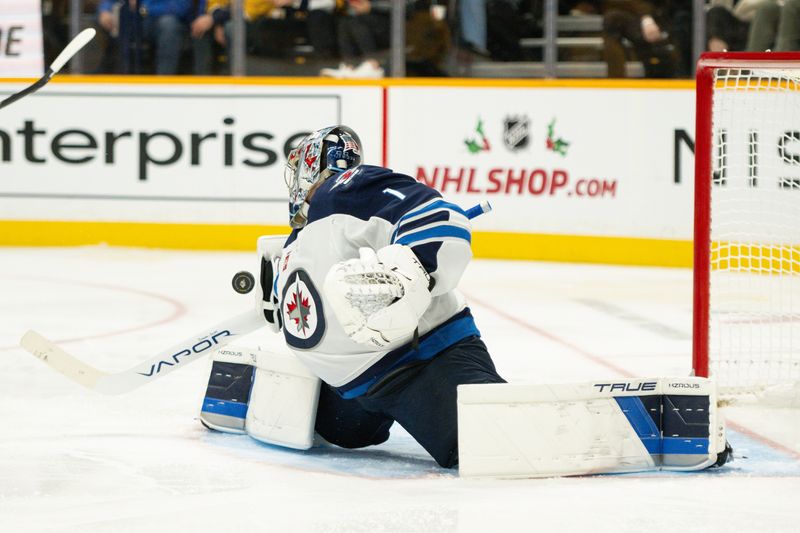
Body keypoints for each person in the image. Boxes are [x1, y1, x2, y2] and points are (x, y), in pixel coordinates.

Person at [213, 125, 506, 468]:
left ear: (311, 167)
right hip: (350, 398)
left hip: (421, 363)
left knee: (493, 443)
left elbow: (439, 219)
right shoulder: (300, 237)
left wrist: (408, 274)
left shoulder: (345, 188)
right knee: (344, 431)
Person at [97, 0, 193, 74]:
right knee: (96, 25)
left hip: (160, 21)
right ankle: (99, 83)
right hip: (129, 20)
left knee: (169, 25)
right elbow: (109, 1)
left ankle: (164, 83)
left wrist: (144, 8)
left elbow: (180, 7)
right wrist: (104, 11)